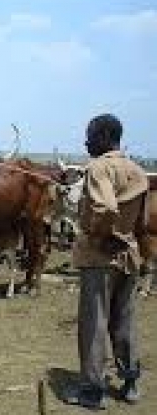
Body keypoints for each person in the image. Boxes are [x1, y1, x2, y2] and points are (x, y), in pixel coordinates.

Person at [66, 113, 149, 409]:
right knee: (124, 320)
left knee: (94, 323)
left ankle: (92, 390)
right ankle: (130, 383)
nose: (86, 141)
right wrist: (132, 245)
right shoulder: (137, 171)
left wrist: (102, 235)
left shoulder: (98, 168)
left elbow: (104, 207)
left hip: (99, 256)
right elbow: (142, 222)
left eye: (90, 136)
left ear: (103, 137)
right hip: (129, 255)